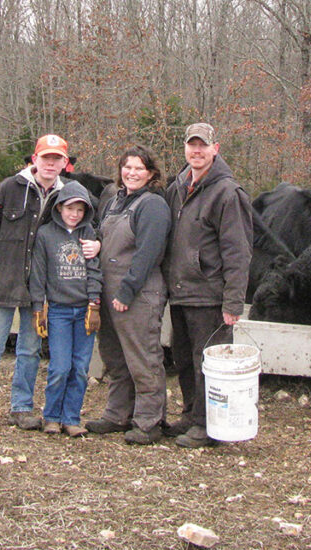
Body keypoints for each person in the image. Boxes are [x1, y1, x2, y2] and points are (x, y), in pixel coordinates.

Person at [0, 134, 93, 429]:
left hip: (39, 289)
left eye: (57, 159)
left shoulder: (65, 196)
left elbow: (84, 229)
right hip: (3, 283)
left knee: (29, 350)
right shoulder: (10, 188)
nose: (50, 164)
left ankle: (22, 407)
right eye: (46, 158)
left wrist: (98, 246)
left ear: (65, 163)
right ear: (34, 159)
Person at [163, 123, 253, 448]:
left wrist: (232, 303)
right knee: (184, 358)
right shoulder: (178, 187)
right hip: (181, 292)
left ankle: (207, 424)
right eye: (191, 145)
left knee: (208, 363)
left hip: (210, 297)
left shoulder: (227, 193)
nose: (196, 151)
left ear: (216, 148)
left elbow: (238, 252)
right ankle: (190, 413)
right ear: (185, 148)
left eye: (203, 146)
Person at [84, 145, 172, 445]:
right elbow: (103, 234)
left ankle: (149, 420)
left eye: (139, 168)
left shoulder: (153, 206)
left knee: (142, 357)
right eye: (127, 167)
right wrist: (96, 244)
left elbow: (149, 252)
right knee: (115, 357)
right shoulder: (115, 201)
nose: (132, 173)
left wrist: (128, 290)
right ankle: (117, 413)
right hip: (109, 290)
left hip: (137, 293)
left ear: (151, 174)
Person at [28, 181, 103, 437]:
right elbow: (38, 274)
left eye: (81, 210)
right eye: (70, 208)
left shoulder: (89, 234)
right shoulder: (46, 235)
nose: (75, 214)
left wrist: (94, 303)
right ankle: (51, 415)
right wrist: (39, 307)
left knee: (80, 367)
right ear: (60, 208)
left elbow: (95, 270)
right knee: (59, 367)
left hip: (84, 311)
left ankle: (71, 417)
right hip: (58, 310)